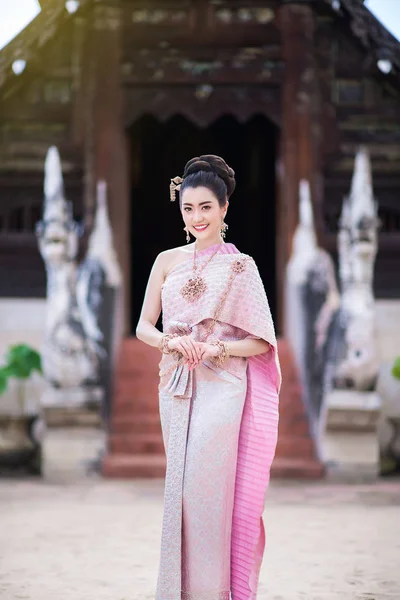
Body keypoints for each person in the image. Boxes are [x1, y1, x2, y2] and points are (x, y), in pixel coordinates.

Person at [136, 154, 281, 600]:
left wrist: (217, 347)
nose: (196, 217)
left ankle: (213, 591)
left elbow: (262, 341)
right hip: (176, 384)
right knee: (179, 491)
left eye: (205, 207)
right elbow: (142, 326)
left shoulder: (242, 267)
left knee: (207, 494)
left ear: (224, 209)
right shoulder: (165, 261)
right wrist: (170, 343)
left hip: (224, 387)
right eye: (188, 208)